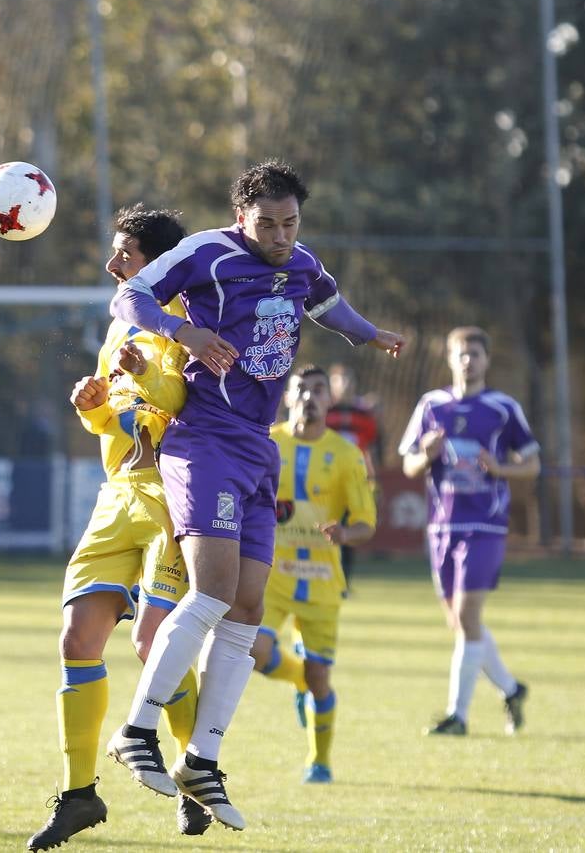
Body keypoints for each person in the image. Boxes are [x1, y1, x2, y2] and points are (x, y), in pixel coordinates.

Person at [105, 159, 404, 831]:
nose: (279, 235)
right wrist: (182, 330)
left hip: (256, 448)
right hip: (205, 441)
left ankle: (202, 760)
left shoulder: (300, 262)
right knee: (212, 592)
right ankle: (136, 730)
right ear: (241, 217)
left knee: (245, 607)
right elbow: (130, 299)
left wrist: (369, 333)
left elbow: (328, 304)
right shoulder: (205, 252)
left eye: (289, 222)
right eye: (266, 223)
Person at [28, 205, 213, 852]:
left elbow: (187, 404)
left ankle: (195, 775)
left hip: (172, 498)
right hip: (116, 497)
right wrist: (94, 408)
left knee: (154, 640)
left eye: (125, 255)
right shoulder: (119, 325)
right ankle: (80, 795)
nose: (112, 265)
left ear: (157, 264)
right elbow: (114, 421)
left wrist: (148, 374)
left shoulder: (192, 321)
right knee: (77, 638)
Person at [398, 325, 540, 736]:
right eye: (461, 353)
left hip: (485, 524)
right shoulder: (431, 405)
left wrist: (501, 469)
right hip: (442, 526)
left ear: (486, 360)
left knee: (467, 615)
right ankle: (511, 689)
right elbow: (409, 465)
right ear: (449, 359)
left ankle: (457, 717)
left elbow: (532, 464)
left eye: (475, 354)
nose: (468, 361)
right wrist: (426, 455)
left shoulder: (502, 408)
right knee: (461, 624)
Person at [251, 364, 376, 784]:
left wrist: (346, 533)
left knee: (320, 676)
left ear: (329, 400)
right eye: (301, 389)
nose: (309, 397)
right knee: (252, 650)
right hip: (272, 573)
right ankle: (297, 679)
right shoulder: (267, 442)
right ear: (287, 397)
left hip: (322, 579)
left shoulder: (346, 455)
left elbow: (366, 523)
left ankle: (319, 761)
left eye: (318, 390)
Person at [326, 362, 382, 582]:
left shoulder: (364, 415)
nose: (346, 384)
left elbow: (371, 449)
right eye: (340, 380)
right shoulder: (324, 411)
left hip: (355, 480)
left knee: (350, 529)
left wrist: (374, 479)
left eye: (349, 379)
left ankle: (344, 580)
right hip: (325, 479)